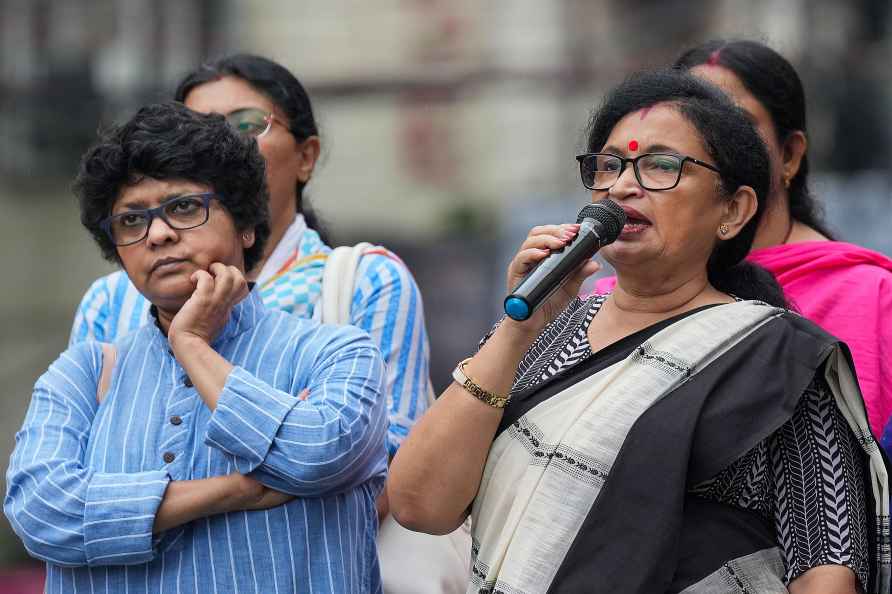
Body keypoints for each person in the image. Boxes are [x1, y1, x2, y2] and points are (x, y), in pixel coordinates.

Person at [387, 70, 889, 593]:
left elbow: (826, 565)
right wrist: (517, 330)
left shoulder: (776, 358)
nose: (624, 185)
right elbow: (419, 504)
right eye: (609, 165)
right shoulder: (540, 334)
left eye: (660, 165)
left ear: (733, 210)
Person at [66, 53, 468, 592]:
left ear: (306, 156)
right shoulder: (108, 302)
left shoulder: (361, 281)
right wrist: (245, 490)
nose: (219, 144)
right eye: (195, 129)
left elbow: (385, 472)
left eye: (244, 125)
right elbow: (62, 493)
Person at [5, 102, 389, 592]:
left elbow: (317, 455)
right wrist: (233, 491)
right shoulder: (84, 373)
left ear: (246, 225)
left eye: (184, 207)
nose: (158, 233)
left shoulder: (334, 355)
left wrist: (190, 345)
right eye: (131, 221)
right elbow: (40, 511)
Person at [594, 40, 892, 444]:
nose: (712, 140)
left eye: (734, 122)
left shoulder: (874, 299)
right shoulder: (603, 306)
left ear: (789, 155)